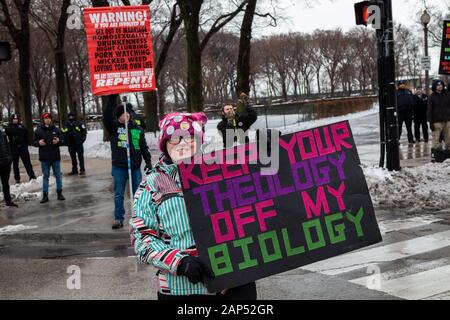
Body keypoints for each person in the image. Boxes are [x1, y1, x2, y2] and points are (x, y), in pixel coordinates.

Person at [130, 112, 257, 300]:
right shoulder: (151, 185)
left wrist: (273, 153)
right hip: (182, 289)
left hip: (234, 283)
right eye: (174, 139)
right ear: (165, 144)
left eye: (189, 137)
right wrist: (180, 262)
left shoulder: (221, 171)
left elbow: (263, 195)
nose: (182, 143)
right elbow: (141, 237)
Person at [103, 94, 152, 229]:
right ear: (119, 116)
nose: (128, 115)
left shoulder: (137, 129)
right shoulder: (113, 128)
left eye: (129, 113)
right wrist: (112, 99)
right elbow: (107, 116)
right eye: (124, 113)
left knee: (138, 193)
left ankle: (139, 217)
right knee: (119, 193)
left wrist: (148, 162)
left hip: (135, 167)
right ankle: (119, 218)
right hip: (119, 167)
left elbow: (143, 147)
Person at [33, 113, 65, 203]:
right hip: (44, 158)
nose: (47, 120)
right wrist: (38, 142)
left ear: (51, 119)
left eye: (49, 118)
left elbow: (63, 141)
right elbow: (34, 142)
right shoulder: (38, 130)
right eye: (45, 118)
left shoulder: (56, 129)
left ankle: (59, 193)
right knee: (45, 176)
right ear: (43, 119)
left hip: (55, 157)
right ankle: (45, 195)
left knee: (58, 175)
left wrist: (58, 141)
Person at [5, 114, 36, 183]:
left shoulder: (22, 126)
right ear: (11, 120)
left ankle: (32, 176)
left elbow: (26, 134)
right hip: (13, 148)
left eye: (16, 119)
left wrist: (26, 143)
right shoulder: (8, 128)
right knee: (15, 164)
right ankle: (17, 178)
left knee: (27, 162)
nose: (15, 120)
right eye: (14, 119)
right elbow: (8, 135)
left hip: (23, 147)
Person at [427, 79, 450, 158]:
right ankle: (436, 155)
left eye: (441, 85)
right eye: (438, 85)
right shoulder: (431, 97)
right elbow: (429, 110)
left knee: (448, 138)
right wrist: (430, 122)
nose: (440, 86)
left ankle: (448, 153)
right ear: (435, 86)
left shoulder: (447, 95)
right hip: (436, 122)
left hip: (447, 120)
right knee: (436, 139)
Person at [0, 128, 18, 207]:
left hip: (5, 163)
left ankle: (8, 201)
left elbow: (8, 147)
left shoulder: (3, 134)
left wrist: (9, 158)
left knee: (6, 184)